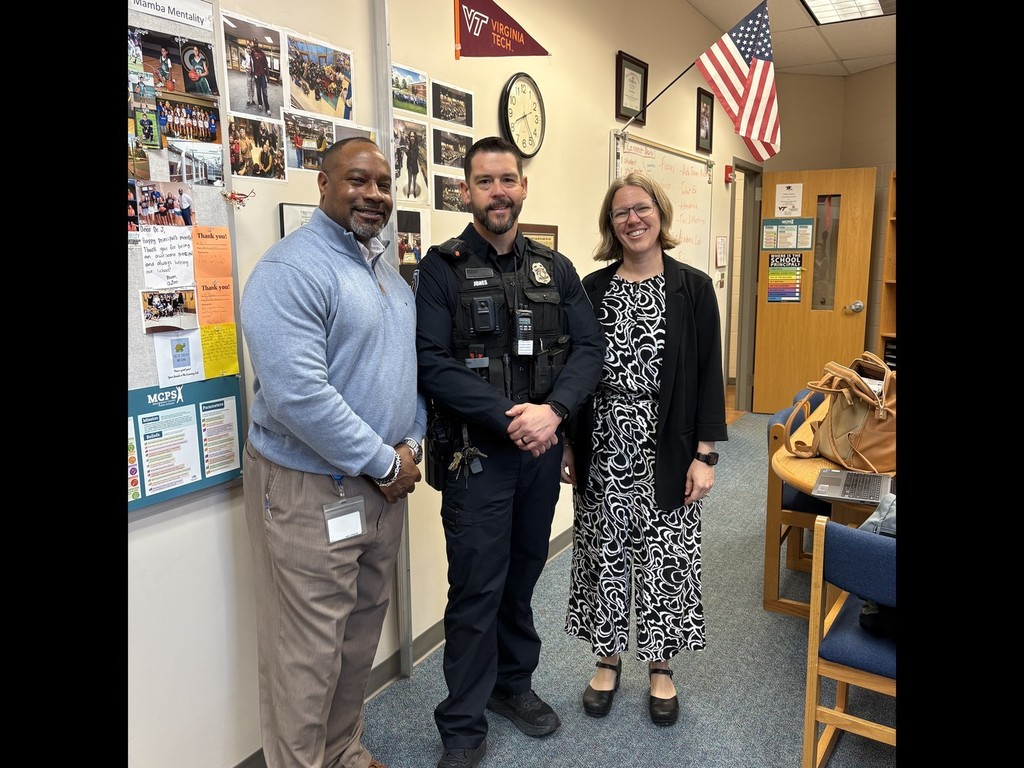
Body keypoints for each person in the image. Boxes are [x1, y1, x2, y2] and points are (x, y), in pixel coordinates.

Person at [415, 136, 605, 768]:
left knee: (522, 576)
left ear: (524, 187)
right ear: (466, 191)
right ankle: (463, 726)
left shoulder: (557, 268)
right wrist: (510, 418)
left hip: (542, 452)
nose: (498, 191)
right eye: (485, 181)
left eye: (508, 180)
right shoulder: (440, 268)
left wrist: (552, 414)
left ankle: (511, 687)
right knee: (475, 588)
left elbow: (587, 351)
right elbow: (432, 364)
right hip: (477, 458)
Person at [240, 137, 424, 768]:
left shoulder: (389, 278)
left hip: (381, 491)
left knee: (358, 637)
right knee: (306, 653)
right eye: (356, 180)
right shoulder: (290, 270)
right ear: (323, 185)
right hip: (309, 488)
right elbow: (296, 395)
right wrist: (384, 461)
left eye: (381, 183)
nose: (373, 194)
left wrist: (412, 445)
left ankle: (342, 749)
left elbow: (410, 378)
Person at [562, 172, 728, 727]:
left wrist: (705, 455)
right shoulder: (591, 288)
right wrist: (567, 442)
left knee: (666, 559)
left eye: (641, 209)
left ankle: (661, 668)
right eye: (620, 213)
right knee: (602, 554)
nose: (632, 220)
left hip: (670, 438)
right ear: (610, 226)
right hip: (603, 440)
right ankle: (607, 659)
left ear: (660, 214)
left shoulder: (693, 287)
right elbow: (573, 370)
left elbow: (708, 376)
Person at [251, 44, 271, 116]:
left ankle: (267, 108)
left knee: (264, 92)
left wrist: (268, 76)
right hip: (256, 76)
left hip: (262, 75)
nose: (255, 46)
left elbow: (266, 64)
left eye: (256, 44)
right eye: (254, 44)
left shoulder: (262, 54)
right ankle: (260, 103)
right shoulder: (252, 53)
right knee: (258, 91)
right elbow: (250, 62)